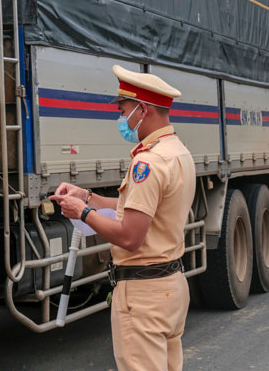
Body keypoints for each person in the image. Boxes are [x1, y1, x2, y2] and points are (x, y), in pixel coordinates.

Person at [50, 65, 195, 371]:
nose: (120, 117)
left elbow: (130, 236)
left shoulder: (148, 162)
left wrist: (83, 213)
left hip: (144, 296)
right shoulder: (177, 151)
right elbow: (139, 208)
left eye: (123, 109)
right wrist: (86, 196)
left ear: (142, 109)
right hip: (170, 286)